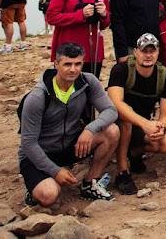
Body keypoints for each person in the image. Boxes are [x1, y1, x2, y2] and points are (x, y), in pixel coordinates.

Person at [18, 42, 119, 205]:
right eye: (67, 64)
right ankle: (36, 188)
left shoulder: (88, 82)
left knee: (112, 131)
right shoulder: (37, 98)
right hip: (41, 151)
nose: (73, 69)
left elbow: (111, 111)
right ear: (56, 64)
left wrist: (89, 129)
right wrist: (55, 171)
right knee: (48, 195)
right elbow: (28, 143)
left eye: (78, 64)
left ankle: (90, 184)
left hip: (71, 145)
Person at [107, 33, 166, 194]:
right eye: (144, 51)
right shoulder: (121, 70)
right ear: (136, 52)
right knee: (126, 120)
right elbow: (116, 104)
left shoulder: (165, 76)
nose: (148, 55)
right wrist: (145, 124)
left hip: (145, 125)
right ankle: (122, 172)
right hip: (119, 124)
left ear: (158, 52)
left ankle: (135, 154)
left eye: (152, 51)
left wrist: (160, 127)